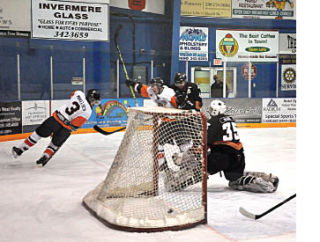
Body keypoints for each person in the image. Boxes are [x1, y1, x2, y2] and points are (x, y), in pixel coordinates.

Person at [12, 89, 101, 167]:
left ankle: (19, 150)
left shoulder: (79, 93)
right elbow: (74, 125)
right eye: (94, 101)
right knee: (54, 144)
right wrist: (61, 130)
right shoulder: (88, 112)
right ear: (92, 100)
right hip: (65, 128)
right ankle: (45, 157)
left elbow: (72, 95)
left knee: (37, 134)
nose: (94, 103)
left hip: (55, 119)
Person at [207, 100, 279, 193]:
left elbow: (207, 140)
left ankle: (261, 184)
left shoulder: (213, 121)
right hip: (239, 156)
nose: (209, 110)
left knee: (206, 171)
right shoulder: (230, 119)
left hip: (222, 157)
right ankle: (268, 178)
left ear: (215, 110)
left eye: (211, 109)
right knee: (235, 178)